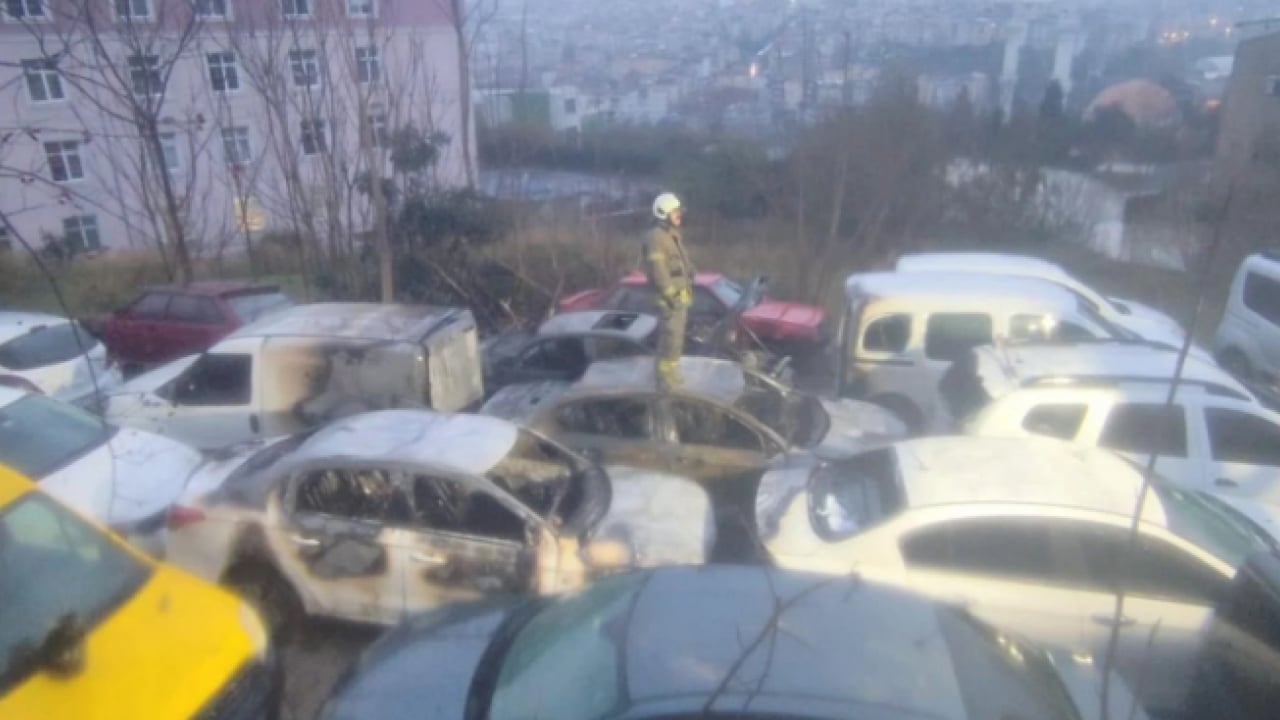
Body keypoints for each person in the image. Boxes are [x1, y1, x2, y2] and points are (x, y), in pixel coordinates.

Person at [644, 192, 693, 390]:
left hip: (679, 299)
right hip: (669, 301)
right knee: (669, 341)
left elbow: (681, 262)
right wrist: (670, 294)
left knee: (676, 340)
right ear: (663, 213)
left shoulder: (671, 235)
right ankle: (663, 381)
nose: (679, 214)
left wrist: (691, 273)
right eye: (675, 211)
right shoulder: (656, 237)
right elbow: (658, 271)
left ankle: (671, 374)